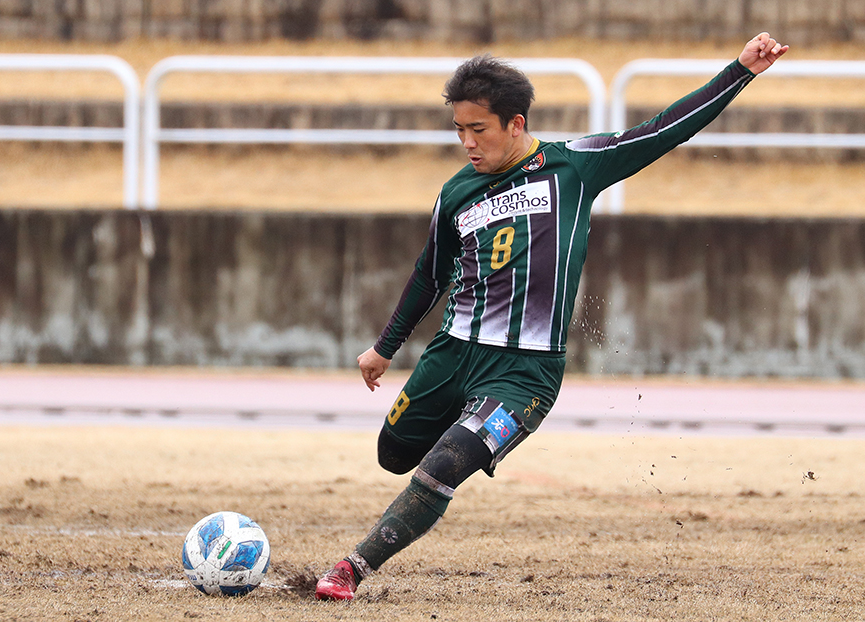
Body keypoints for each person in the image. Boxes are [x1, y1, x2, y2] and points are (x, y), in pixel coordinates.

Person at [315, 32, 789, 601]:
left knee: (442, 466)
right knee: (392, 455)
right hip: (451, 354)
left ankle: (352, 568)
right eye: (459, 130)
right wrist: (385, 346)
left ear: (516, 124)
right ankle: (465, 424)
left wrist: (740, 70)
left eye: (479, 130)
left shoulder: (574, 167)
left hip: (526, 374)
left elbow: (664, 129)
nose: (467, 142)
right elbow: (428, 274)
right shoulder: (456, 191)